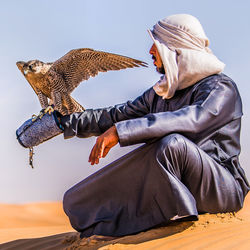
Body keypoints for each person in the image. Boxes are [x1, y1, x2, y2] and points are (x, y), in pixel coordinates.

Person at [60, 14, 250, 238]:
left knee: (172, 146)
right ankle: (107, 222)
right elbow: (116, 115)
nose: (150, 51)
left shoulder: (221, 88)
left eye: (157, 44)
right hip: (184, 182)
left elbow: (193, 118)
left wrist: (120, 133)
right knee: (76, 199)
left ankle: (176, 219)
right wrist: (64, 122)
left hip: (222, 189)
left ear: (175, 48)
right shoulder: (162, 93)